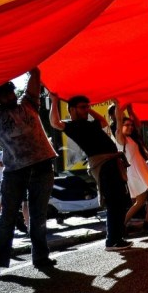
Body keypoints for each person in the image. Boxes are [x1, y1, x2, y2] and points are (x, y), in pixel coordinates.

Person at [50, 90, 134, 251]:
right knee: (113, 201)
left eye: (86, 107)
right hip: (103, 165)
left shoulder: (89, 123)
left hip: (111, 162)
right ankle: (112, 240)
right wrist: (54, 101)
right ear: (72, 109)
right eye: (82, 107)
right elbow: (55, 122)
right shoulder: (72, 125)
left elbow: (103, 121)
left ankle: (117, 237)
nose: (85, 110)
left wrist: (88, 109)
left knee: (119, 201)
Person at [0, 69, 59, 269]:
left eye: (10, 91)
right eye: (3, 93)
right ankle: (0, 260)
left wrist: (32, 64)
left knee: (38, 215)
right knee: (7, 217)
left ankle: (40, 257)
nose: (9, 96)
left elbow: (35, 74)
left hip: (42, 166)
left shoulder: (29, 104)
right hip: (14, 172)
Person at [115, 103, 148, 231]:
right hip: (134, 171)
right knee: (140, 201)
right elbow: (119, 119)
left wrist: (130, 110)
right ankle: (120, 226)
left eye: (131, 125)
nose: (130, 127)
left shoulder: (132, 138)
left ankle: (147, 222)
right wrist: (118, 105)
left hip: (141, 169)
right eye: (127, 125)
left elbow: (137, 123)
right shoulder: (120, 138)